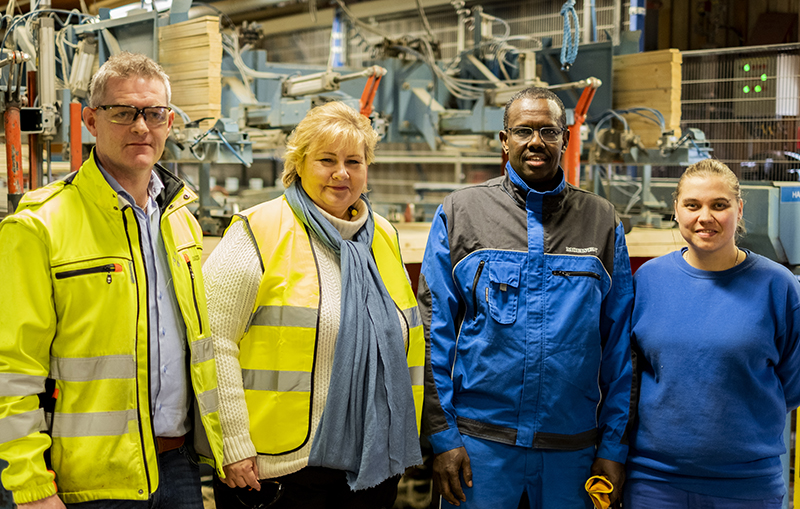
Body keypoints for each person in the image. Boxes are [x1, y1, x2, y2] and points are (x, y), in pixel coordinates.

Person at [0, 52, 224, 508]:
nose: (141, 127)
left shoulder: (181, 218)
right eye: (123, 113)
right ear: (90, 120)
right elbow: (12, 370)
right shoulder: (40, 225)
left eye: (154, 113)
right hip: (87, 480)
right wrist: (30, 485)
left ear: (169, 120)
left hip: (178, 467)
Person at [418, 87, 635, 508]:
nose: (536, 141)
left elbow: (620, 345)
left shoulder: (601, 221)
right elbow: (432, 334)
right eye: (523, 131)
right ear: (504, 140)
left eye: (548, 131)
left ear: (565, 139)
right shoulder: (462, 213)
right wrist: (442, 438)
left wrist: (612, 447)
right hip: (480, 447)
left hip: (573, 451)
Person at [204, 100, 424, 508]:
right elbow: (214, 341)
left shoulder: (383, 238)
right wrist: (233, 444)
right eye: (327, 160)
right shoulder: (258, 231)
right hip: (277, 470)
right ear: (299, 164)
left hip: (371, 465)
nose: (342, 173)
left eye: (354, 161)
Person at [625, 159, 800, 508]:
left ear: (738, 208)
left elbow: (792, 384)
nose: (706, 217)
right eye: (693, 205)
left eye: (719, 205)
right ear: (676, 209)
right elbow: (631, 377)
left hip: (747, 485)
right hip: (654, 482)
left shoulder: (778, 286)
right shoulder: (648, 281)